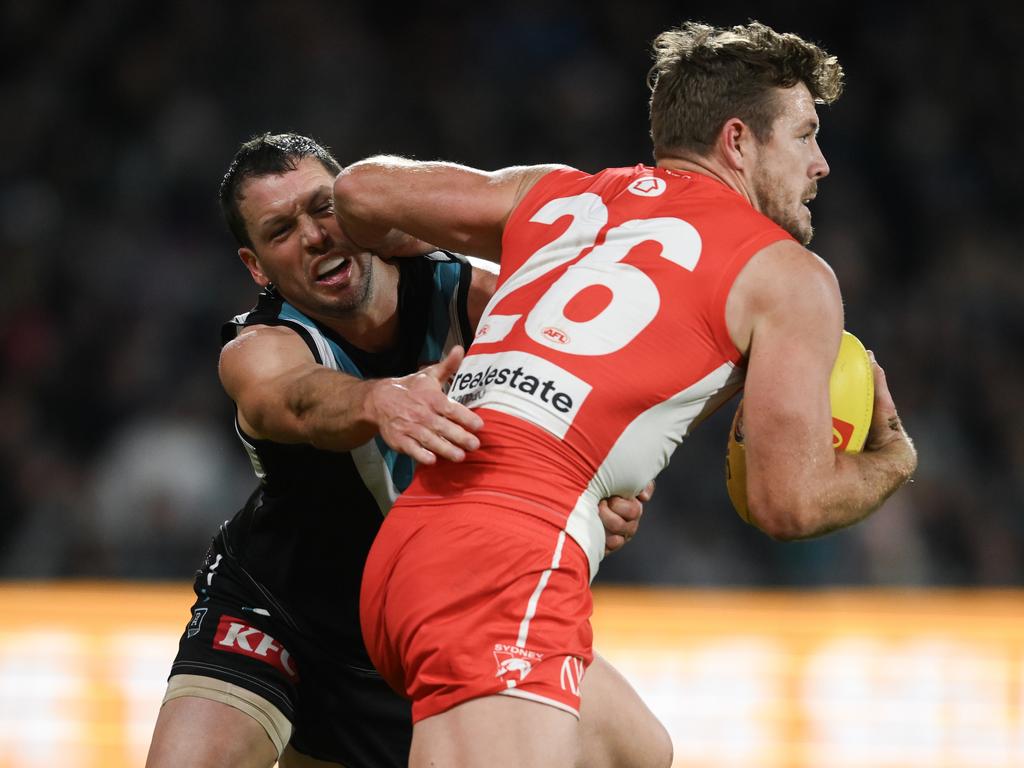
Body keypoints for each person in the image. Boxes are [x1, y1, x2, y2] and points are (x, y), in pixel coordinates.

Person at [334, 20, 919, 768]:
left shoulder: (553, 197)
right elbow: (788, 501)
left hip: (411, 551)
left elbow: (360, 191)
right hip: (509, 559)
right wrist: (893, 462)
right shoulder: (788, 276)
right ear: (738, 142)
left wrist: (504, 286)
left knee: (634, 752)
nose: (822, 164)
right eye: (805, 136)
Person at [144, 133, 664, 768]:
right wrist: (376, 402)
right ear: (257, 267)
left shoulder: (475, 296)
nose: (314, 236)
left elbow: (596, 382)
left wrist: (608, 489)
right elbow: (295, 398)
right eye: (282, 230)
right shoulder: (260, 346)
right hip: (276, 613)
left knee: (640, 751)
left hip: (423, 624)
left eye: (324, 207)